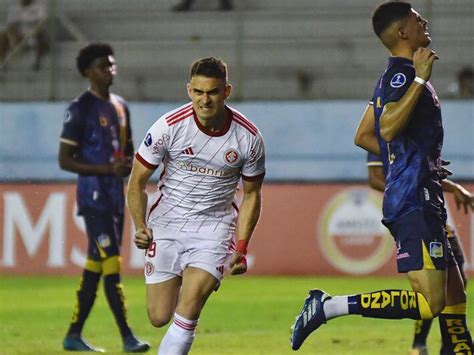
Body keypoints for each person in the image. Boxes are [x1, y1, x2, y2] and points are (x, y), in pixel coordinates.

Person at [290, 2, 473, 353]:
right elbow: (386, 128)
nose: (425, 22)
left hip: (421, 193)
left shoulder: (392, 76)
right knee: (430, 303)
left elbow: (363, 135)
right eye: (418, 20)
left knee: (454, 291)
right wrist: (420, 79)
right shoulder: (403, 76)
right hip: (413, 201)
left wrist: (416, 159)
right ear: (403, 32)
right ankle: (328, 306)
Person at [127, 57, 265, 355]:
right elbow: (136, 181)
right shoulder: (168, 127)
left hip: (214, 229)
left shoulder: (248, 137)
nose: (205, 100)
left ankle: (192, 299)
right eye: (199, 92)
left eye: (213, 92)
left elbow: (252, 194)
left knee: (188, 310)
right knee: (159, 316)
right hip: (167, 224)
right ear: (189, 90)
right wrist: (140, 225)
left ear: (226, 91)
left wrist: (241, 247)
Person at [58, 43, 150, 353]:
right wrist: (105, 168)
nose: (109, 70)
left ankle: (73, 335)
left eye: (111, 64)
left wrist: (127, 165)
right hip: (93, 198)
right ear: (87, 71)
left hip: (115, 196)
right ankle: (127, 337)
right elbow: (65, 160)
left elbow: (128, 151)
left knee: (95, 266)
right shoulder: (80, 108)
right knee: (112, 262)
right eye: (102, 66)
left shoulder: (121, 106)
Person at [366, 151, 470, 355]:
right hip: (414, 211)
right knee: (432, 285)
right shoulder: (387, 133)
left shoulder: (420, 133)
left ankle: (449, 345)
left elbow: (424, 172)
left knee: (457, 279)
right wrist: (408, 189)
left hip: (434, 208)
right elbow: (375, 178)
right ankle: (419, 344)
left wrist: (451, 186)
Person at [0, 0, 49, 70]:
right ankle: (3, 63)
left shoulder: (39, 6)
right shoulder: (14, 7)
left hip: (34, 34)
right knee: (2, 35)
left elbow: (41, 22)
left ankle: (37, 63)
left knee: (41, 34)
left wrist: (33, 32)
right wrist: (12, 37)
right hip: (20, 35)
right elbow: (10, 26)